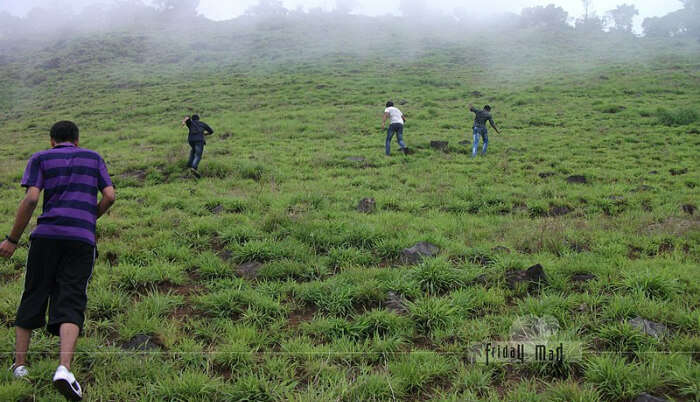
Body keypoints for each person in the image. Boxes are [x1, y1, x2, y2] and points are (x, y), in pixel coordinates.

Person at [0, 121, 115, 401]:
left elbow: (31, 199)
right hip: (81, 240)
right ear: (77, 140)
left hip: (46, 236)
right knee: (72, 297)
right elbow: (110, 195)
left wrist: (12, 240)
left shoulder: (40, 158)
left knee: (34, 292)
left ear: (51, 141)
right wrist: (88, 220)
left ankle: (20, 366)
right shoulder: (94, 158)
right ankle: (64, 369)